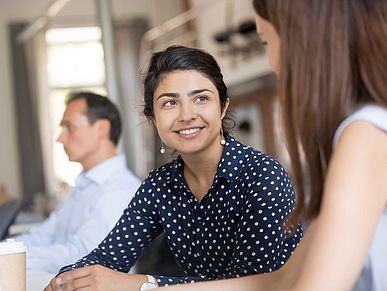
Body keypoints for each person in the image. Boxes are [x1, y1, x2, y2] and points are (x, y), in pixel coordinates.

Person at [153, 1, 387, 291]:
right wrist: (149, 288)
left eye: (266, 41)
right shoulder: (362, 132)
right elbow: (283, 279)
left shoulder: (365, 136)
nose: (272, 62)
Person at [44, 45, 303, 291]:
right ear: (153, 118)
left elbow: (253, 284)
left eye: (201, 98)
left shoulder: (263, 176)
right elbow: (108, 257)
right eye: (170, 103)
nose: (186, 115)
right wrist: (63, 281)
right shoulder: (160, 185)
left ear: (223, 106)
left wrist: (141, 283)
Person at [16, 91, 141, 274]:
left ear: (101, 129)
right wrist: (7, 249)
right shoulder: (84, 185)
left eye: (69, 127)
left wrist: (11, 258)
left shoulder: (120, 190)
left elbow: (84, 255)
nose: (59, 138)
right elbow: (45, 235)